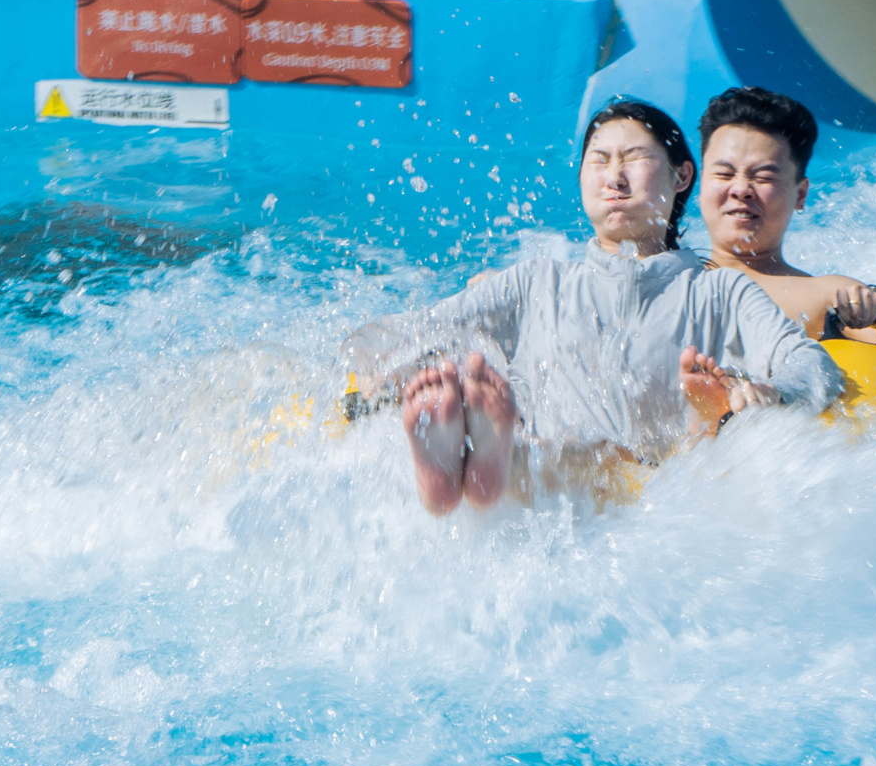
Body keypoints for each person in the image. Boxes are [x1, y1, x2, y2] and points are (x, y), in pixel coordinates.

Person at [345, 100, 842, 515]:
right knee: (506, 416)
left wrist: (772, 392)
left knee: (595, 457)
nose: (615, 177)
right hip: (549, 480)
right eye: (598, 160)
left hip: (648, 493)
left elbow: (810, 362)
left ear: (682, 174)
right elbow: (416, 330)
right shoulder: (534, 282)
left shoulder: (718, 294)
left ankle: (489, 457)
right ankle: (475, 454)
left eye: (634, 159)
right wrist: (373, 371)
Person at [695, 86, 876, 353]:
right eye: (724, 174)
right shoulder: (662, 276)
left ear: (801, 194)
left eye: (764, 177)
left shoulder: (825, 297)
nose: (741, 189)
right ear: (698, 183)